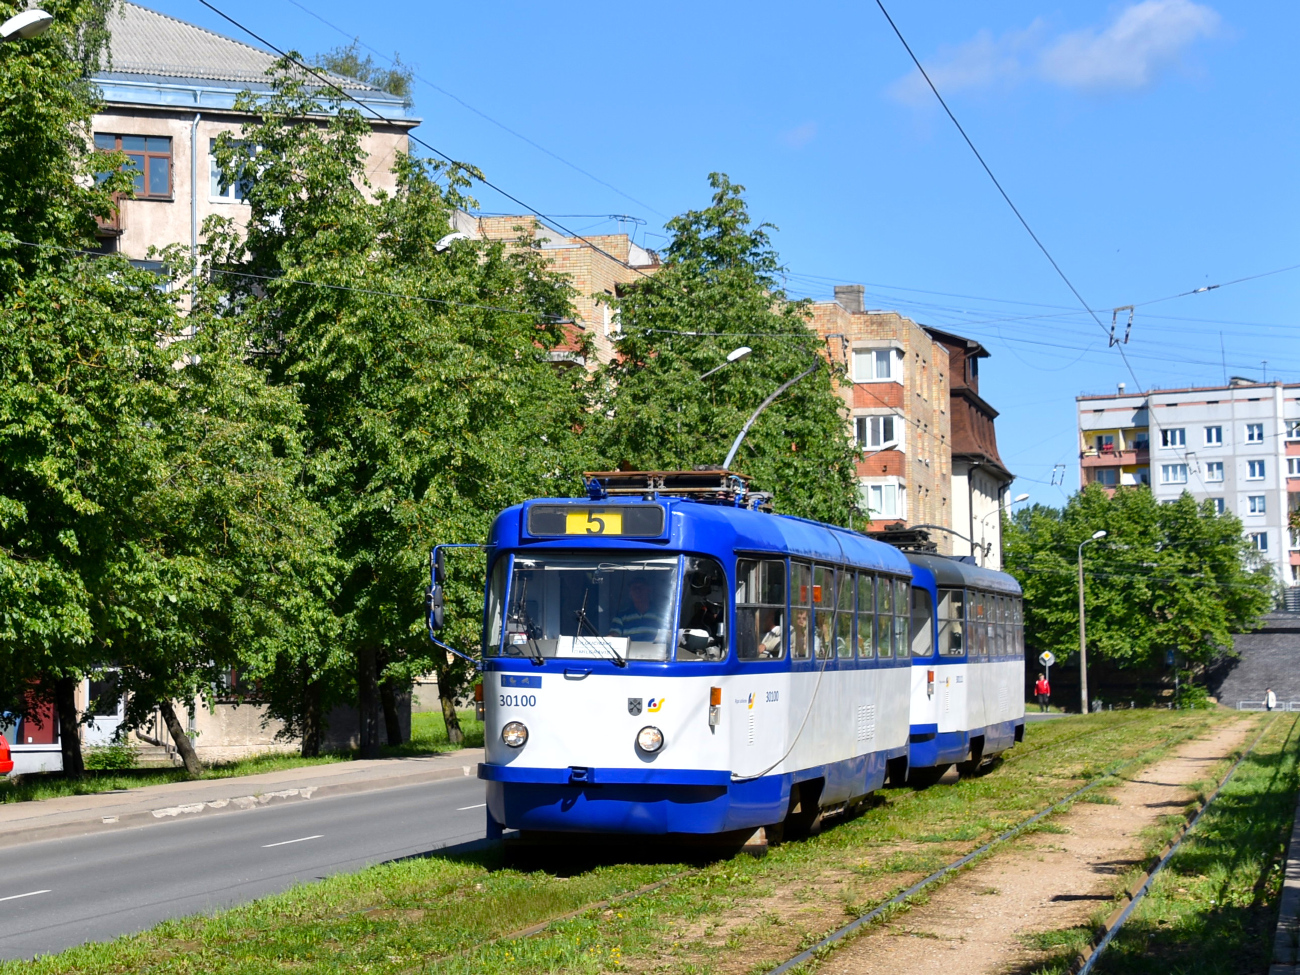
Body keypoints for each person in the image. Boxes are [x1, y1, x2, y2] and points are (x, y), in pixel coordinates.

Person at [610, 579, 665, 644]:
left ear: (649, 590)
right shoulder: (621, 617)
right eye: (634, 588)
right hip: (629, 654)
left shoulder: (662, 616)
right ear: (630, 593)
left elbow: (667, 639)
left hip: (655, 654)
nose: (638, 591)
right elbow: (612, 638)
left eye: (641, 588)